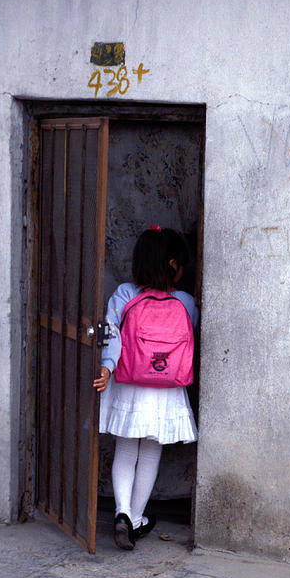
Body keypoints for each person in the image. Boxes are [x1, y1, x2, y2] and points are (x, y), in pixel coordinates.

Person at [93, 226, 199, 551]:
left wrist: (107, 367)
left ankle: (122, 514)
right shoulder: (185, 301)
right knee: (151, 452)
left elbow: (111, 334)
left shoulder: (124, 294)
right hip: (166, 388)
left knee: (126, 450)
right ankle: (137, 519)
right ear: (172, 264)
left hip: (127, 382)